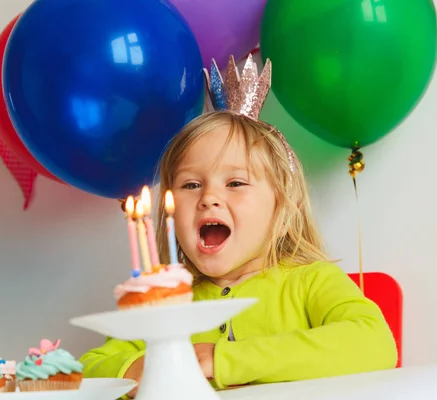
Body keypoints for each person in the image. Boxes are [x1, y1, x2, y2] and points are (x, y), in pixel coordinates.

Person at [79, 56, 397, 398]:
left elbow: (374, 342)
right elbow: (91, 368)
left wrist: (221, 359)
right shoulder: (162, 305)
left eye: (235, 183)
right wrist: (136, 369)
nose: (209, 199)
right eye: (190, 185)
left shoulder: (311, 282)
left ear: (281, 203)